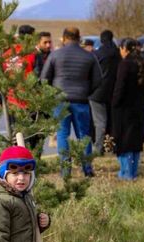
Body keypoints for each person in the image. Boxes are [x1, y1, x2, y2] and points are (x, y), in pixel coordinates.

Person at [42, 27, 101, 177]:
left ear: (64, 38)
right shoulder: (88, 56)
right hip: (81, 100)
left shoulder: (55, 55)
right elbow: (98, 79)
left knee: (62, 135)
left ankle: (65, 170)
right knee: (83, 135)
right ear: (79, 37)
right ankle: (87, 169)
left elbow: (44, 78)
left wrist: (51, 94)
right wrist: (87, 92)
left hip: (60, 100)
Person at [112, 38, 144, 180]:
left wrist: (114, 103)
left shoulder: (125, 64)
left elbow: (119, 87)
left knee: (124, 141)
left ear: (124, 48)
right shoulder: (143, 63)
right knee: (135, 142)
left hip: (124, 109)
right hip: (139, 107)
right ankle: (133, 172)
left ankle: (125, 173)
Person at [90, 30, 121, 155]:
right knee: (112, 121)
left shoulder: (97, 54)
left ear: (101, 40)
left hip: (97, 92)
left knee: (99, 122)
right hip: (113, 91)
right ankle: (111, 146)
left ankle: (98, 148)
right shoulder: (118, 53)